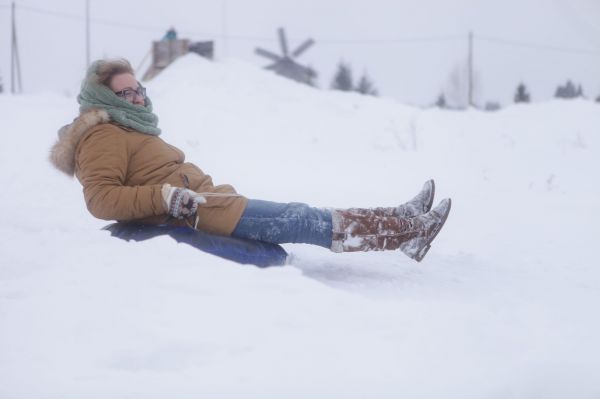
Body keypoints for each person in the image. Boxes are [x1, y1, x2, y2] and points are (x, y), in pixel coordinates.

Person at [50, 59, 451, 262]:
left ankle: (400, 216)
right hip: (191, 214)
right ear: (104, 100)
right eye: (126, 94)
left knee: (299, 215)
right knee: (301, 218)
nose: (138, 98)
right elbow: (100, 199)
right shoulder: (101, 133)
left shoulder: (129, 127)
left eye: (139, 90)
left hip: (206, 204)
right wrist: (165, 197)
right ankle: (406, 234)